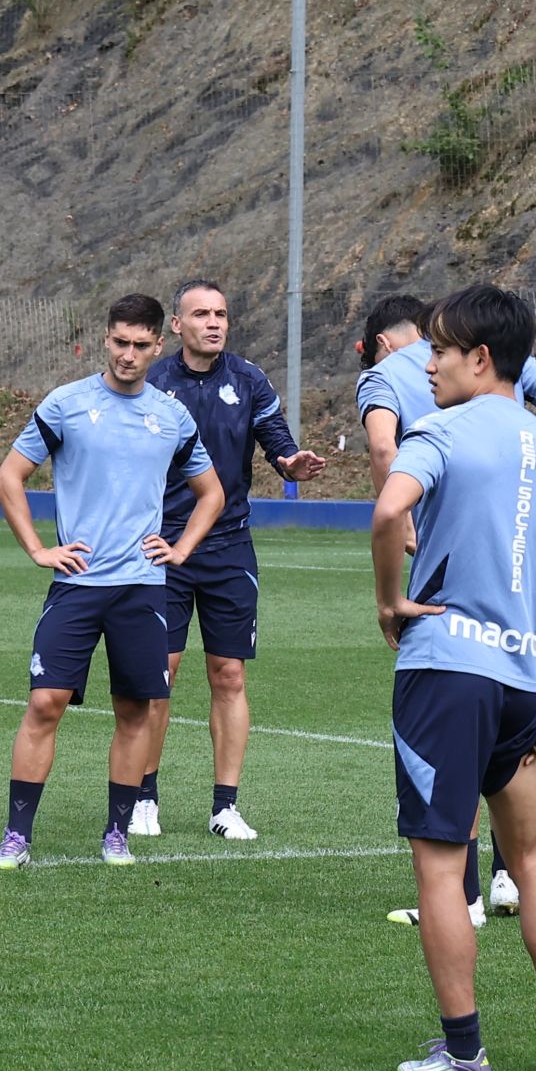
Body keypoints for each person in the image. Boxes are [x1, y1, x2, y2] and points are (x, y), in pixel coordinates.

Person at [373, 284, 536, 1071]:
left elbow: (387, 512)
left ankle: (465, 1051)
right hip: (520, 687)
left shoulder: (440, 431)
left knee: (441, 867)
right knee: (531, 856)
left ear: (480, 359)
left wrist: (390, 601)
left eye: (438, 350)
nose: (427, 365)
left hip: (444, 675)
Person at [0, 294, 224, 868]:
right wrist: (38, 549)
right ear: (106, 339)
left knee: (135, 711)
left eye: (141, 345)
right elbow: (9, 477)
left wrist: (181, 548)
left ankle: (117, 833)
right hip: (77, 583)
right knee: (45, 703)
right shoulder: (67, 404)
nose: (128, 354)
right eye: (120, 342)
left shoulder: (171, 416)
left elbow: (212, 493)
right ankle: (17, 836)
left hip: (142, 588)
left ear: (158, 346)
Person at [134, 280, 327, 839]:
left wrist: (290, 462)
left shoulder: (248, 379)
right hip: (163, 547)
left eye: (220, 313)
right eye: (201, 314)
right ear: (177, 326)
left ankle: (225, 807)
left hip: (229, 546)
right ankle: (143, 797)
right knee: (160, 673)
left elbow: (276, 438)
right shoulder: (153, 383)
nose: (214, 322)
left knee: (229, 674)